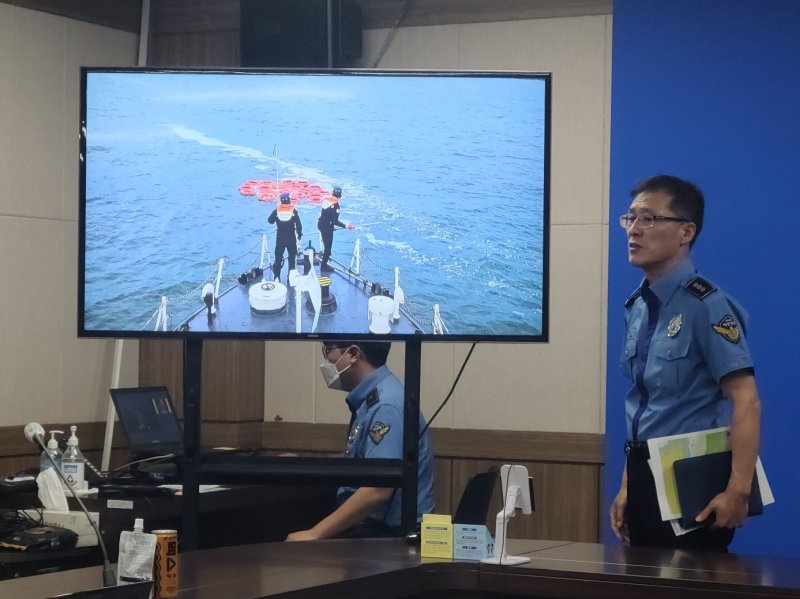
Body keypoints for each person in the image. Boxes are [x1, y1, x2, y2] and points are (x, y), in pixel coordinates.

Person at [610, 175, 761, 552]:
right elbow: (646, 406)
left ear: (685, 231)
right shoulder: (638, 307)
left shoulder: (705, 305)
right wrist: (629, 484)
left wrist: (738, 491)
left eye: (648, 219)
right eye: (629, 219)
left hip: (691, 480)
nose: (634, 230)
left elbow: (746, 400)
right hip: (645, 474)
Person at [286, 341, 435, 541]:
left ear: (353, 354)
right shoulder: (375, 398)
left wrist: (314, 534)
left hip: (391, 536)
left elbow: (377, 489)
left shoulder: (386, 406)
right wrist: (303, 462)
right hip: (377, 530)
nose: (327, 360)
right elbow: (363, 461)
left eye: (328, 350)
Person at [268, 192, 303, 283]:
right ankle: (290, 279)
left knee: (278, 258)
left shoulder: (277, 210)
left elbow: (270, 221)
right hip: (291, 239)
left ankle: (277, 277)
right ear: (289, 201)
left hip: (280, 239)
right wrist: (299, 235)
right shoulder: (293, 211)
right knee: (291, 259)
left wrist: (276, 211)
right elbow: (299, 225)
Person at [317, 185, 352, 272]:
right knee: (328, 248)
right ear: (340, 196)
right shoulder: (336, 206)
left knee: (326, 245)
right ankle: (324, 266)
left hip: (321, 224)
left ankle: (325, 261)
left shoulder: (326, 201)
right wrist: (346, 226)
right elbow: (335, 220)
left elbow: (326, 215)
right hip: (326, 228)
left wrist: (331, 226)